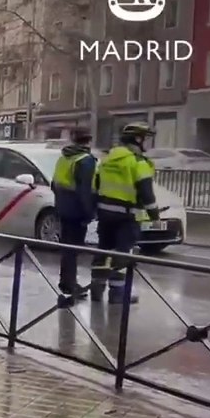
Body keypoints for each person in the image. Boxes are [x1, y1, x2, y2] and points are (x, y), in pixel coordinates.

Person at [90, 122, 159, 304]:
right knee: (123, 253)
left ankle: (96, 290)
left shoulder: (107, 159)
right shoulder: (138, 162)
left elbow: (96, 186)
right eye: (146, 139)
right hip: (127, 217)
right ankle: (117, 293)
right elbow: (146, 193)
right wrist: (155, 216)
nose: (148, 144)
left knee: (103, 250)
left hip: (105, 214)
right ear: (137, 139)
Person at [50, 129, 97, 297]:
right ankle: (70, 284)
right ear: (89, 141)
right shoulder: (85, 161)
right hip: (77, 211)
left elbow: (53, 184)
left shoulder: (63, 158)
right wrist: (89, 212)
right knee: (74, 249)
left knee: (67, 248)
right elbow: (84, 191)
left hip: (63, 208)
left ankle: (66, 282)